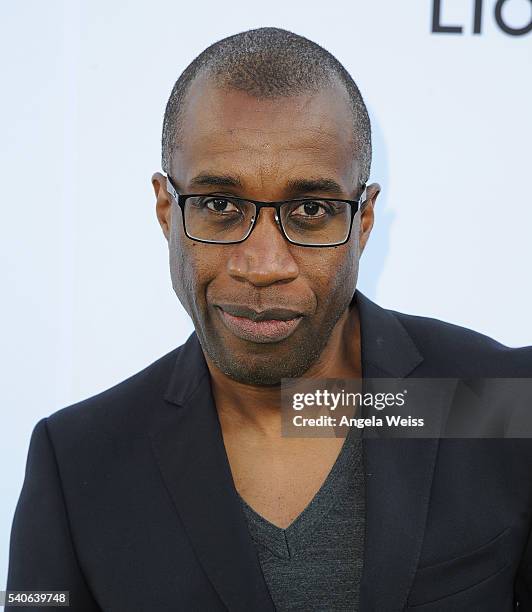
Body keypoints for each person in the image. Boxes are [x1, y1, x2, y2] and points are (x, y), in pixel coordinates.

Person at [5, 27, 532, 611]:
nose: (262, 265)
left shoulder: (493, 402)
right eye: (220, 206)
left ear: (362, 221)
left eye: (311, 210)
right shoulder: (80, 462)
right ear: (165, 210)